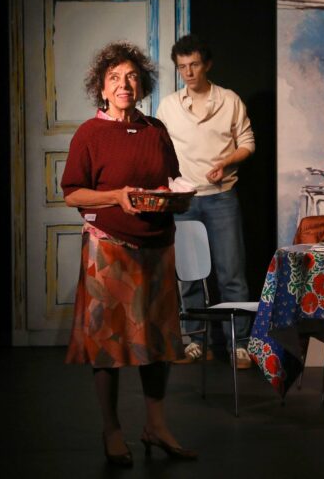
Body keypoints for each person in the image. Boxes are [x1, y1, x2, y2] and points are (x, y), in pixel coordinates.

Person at [61, 40, 197, 468]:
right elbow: (72, 194)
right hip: (109, 247)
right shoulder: (90, 133)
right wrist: (116, 196)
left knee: (157, 342)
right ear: (102, 88)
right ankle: (112, 429)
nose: (124, 84)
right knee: (108, 343)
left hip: (157, 245)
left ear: (142, 85)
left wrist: (178, 196)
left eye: (132, 77)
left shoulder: (156, 129)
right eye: (115, 78)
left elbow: (172, 179)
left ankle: (155, 426)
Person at [156, 33, 256, 370]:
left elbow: (248, 142)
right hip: (184, 201)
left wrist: (226, 162)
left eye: (194, 65)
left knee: (232, 275)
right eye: (182, 67)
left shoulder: (229, 100)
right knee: (189, 276)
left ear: (207, 65)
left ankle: (239, 345)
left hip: (221, 197)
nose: (188, 72)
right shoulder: (169, 106)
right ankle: (196, 341)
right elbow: (160, 149)